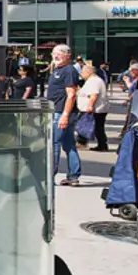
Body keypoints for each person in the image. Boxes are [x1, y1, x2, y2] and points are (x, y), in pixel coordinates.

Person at [46, 44, 82, 186]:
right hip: (58, 111)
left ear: (68, 55)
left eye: (60, 53)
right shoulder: (58, 69)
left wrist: (65, 115)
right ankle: (73, 176)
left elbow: (71, 94)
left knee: (54, 143)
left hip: (61, 112)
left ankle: (50, 175)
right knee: (68, 144)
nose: (56, 56)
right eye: (54, 53)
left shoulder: (68, 70)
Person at [76, 60, 108, 152]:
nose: (81, 74)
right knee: (97, 127)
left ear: (88, 72)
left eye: (82, 72)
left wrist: (90, 106)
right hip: (97, 108)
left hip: (94, 109)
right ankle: (101, 144)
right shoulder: (93, 80)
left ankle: (86, 142)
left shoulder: (94, 81)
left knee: (89, 126)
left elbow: (94, 95)